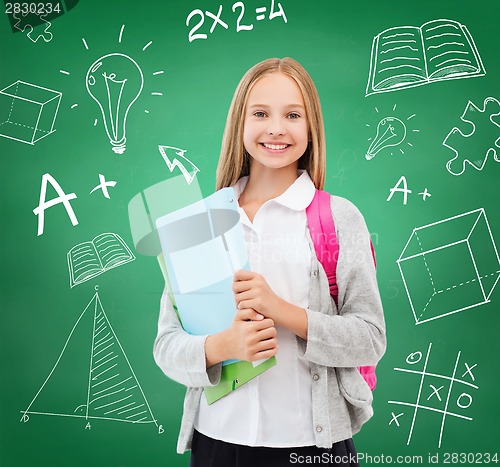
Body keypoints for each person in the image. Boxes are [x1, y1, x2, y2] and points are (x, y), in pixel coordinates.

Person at [154, 57, 386, 466]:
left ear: (311, 128)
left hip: (313, 447)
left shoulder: (338, 218)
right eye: (260, 113)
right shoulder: (199, 224)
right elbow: (166, 347)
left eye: (292, 115)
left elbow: (370, 338)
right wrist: (220, 346)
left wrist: (282, 311)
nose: (276, 128)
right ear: (240, 123)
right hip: (217, 443)